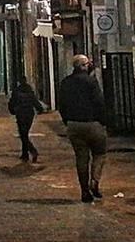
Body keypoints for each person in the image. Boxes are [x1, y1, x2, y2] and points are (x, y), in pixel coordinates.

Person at [58, 54, 107, 203]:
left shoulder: (66, 83)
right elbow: (99, 102)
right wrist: (103, 121)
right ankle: (95, 181)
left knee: (81, 158)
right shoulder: (91, 82)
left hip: (74, 125)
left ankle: (84, 191)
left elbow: (62, 105)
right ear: (83, 66)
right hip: (92, 123)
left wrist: (67, 121)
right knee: (100, 153)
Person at [8, 80, 43, 163]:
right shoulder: (30, 93)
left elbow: (11, 103)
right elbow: (36, 103)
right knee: (25, 134)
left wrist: (12, 111)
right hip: (29, 114)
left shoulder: (16, 93)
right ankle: (25, 154)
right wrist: (40, 109)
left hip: (20, 114)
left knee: (23, 134)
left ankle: (31, 152)